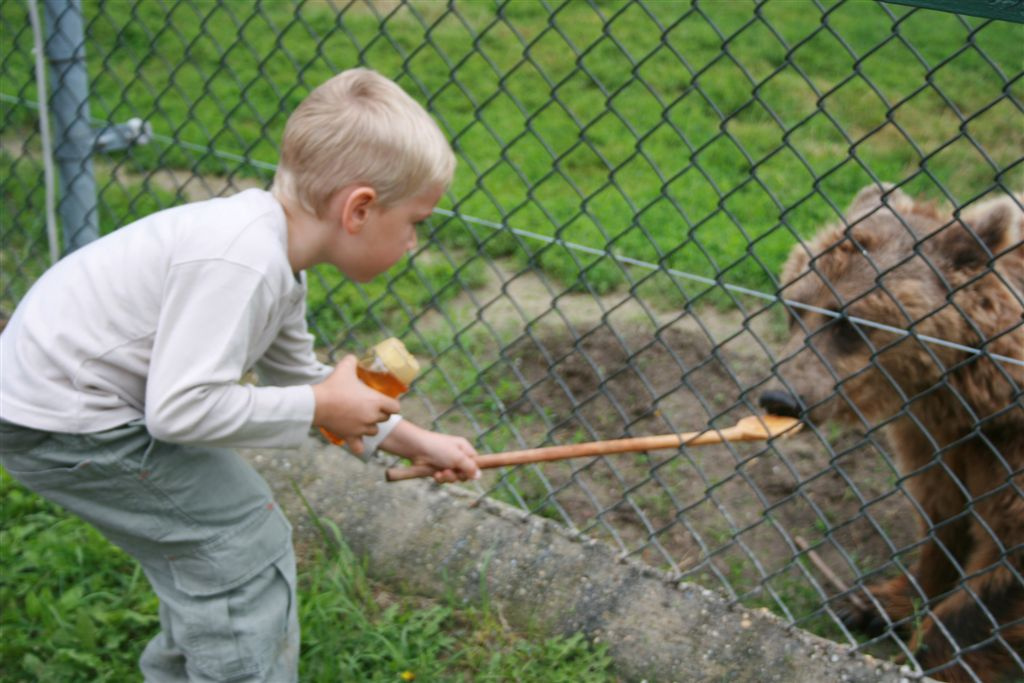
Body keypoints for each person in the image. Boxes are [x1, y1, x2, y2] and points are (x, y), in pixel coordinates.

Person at [0, 68, 480, 683]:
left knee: (209, 552)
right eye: (416, 221)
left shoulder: (276, 255)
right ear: (359, 208)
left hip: (63, 407)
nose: (414, 241)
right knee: (239, 548)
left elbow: (300, 376)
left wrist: (416, 440)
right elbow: (180, 412)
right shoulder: (242, 260)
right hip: (68, 420)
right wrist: (316, 406)